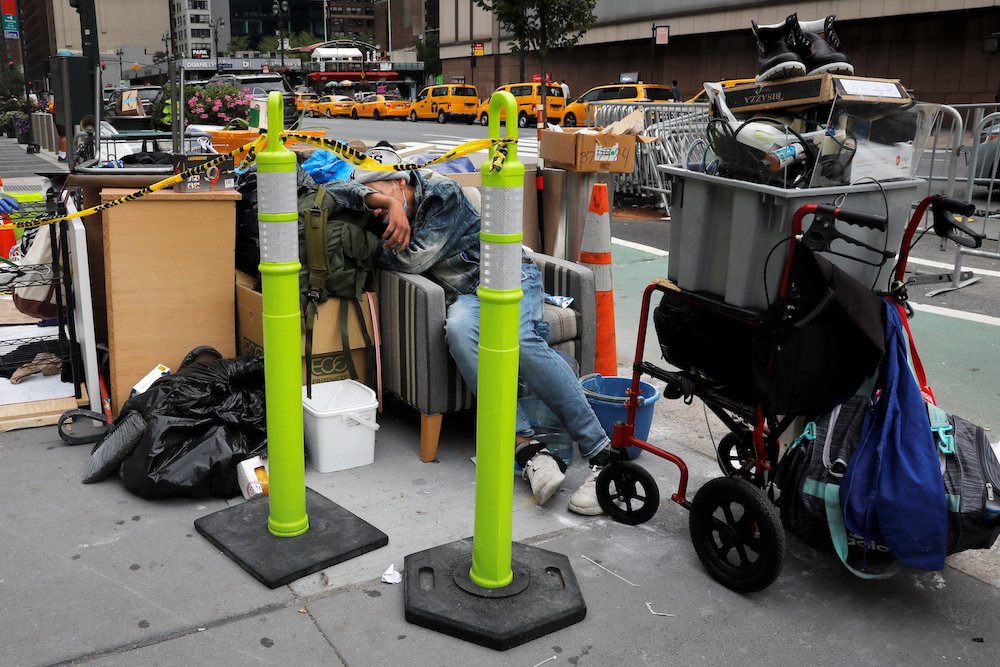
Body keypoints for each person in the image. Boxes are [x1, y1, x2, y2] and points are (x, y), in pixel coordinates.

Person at [322, 163, 614, 515]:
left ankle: (601, 453)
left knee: (520, 343)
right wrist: (385, 201)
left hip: (510, 275)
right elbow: (334, 190)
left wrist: (370, 234)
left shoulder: (442, 193)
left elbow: (414, 260)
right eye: (375, 206)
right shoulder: (390, 205)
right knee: (458, 331)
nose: (380, 215)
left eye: (386, 200)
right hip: (468, 294)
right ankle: (527, 448)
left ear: (402, 181)